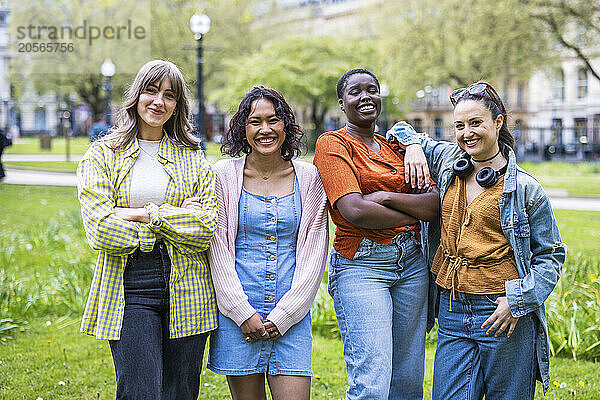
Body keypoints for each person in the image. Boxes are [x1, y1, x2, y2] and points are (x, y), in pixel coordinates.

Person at [388, 81, 566, 400]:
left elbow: (551, 257)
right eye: (459, 125)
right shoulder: (447, 164)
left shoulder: (526, 190)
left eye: (475, 123)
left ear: (497, 122)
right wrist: (414, 145)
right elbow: (400, 128)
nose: (466, 133)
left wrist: (518, 300)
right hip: (453, 308)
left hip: (502, 310)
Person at [76, 60, 218, 399]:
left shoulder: (194, 158)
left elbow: (205, 228)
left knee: (180, 392)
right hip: (129, 286)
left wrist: (135, 215)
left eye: (169, 95)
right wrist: (170, 215)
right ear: (136, 95)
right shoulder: (102, 156)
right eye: (151, 91)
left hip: (190, 285)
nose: (158, 101)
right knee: (140, 391)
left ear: (177, 106)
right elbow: (100, 229)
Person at [313, 68, 440, 400]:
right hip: (361, 264)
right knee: (372, 380)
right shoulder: (332, 144)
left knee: (409, 379)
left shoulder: (396, 148)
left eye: (372, 89)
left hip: (411, 264)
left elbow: (433, 206)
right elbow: (355, 210)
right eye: (355, 92)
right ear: (342, 103)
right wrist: (410, 209)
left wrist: (384, 197)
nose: (365, 96)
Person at [205, 86, 329, 400]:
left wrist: (287, 314)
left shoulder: (309, 177)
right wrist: (240, 311)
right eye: (255, 121)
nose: (265, 130)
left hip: (292, 315)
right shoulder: (223, 176)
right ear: (242, 129)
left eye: (273, 120)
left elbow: (314, 251)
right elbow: (217, 248)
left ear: (285, 125)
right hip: (238, 315)